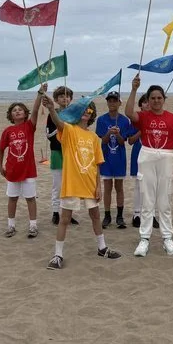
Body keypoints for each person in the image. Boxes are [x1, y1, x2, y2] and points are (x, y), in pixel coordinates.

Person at [42, 93, 121, 269]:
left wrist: (98, 186)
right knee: (65, 218)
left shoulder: (94, 138)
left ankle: (102, 247)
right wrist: (50, 109)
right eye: (83, 109)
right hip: (72, 183)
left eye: (90, 110)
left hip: (90, 184)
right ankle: (57, 255)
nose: (87, 112)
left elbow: (97, 164)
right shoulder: (69, 130)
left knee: (95, 215)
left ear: (93, 114)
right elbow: (58, 122)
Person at [125, 75, 173, 257]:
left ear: (164, 99)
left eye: (159, 98)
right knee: (147, 199)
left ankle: (167, 238)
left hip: (167, 157)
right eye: (152, 98)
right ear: (148, 100)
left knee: (164, 199)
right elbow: (129, 113)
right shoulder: (144, 116)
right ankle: (144, 239)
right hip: (147, 155)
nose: (156, 101)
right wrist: (134, 89)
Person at [0, 91, 43, 238]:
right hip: (12, 170)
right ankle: (11, 226)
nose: (17, 111)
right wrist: (0, 167)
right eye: (14, 110)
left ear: (25, 113)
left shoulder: (29, 127)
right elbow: (0, 149)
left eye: (20, 109)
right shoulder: (8, 131)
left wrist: (40, 94)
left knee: (30, 198)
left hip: (28, 170)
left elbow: (36, 110)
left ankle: (33, 226)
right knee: (12, 198)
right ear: (11, 115)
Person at [96, 91, 134, 230]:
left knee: (119, 187)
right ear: (107, 102)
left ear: (119, 103)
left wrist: (118, 134)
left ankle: (119, 215)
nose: (112, 103)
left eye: (115, 100)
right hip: (106, 158)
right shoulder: (101, 120)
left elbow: (123, 142)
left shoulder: (124, 120)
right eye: (110, 100)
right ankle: (107, 215)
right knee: (107, 187)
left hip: (119, 158)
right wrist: (109, 133)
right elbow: (102, 141)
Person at [46, 85, 79, 226]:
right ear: (56, 99)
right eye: (61, 96)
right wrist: (62, 128)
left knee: (70, 185)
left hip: (71, 153)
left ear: (71, 99)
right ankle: (55, 213)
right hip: (57, 153)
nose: (64, 98)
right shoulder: (52, 114)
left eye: (67, 96)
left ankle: (68, 213)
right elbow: (49, 135)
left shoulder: (74, 114)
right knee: (57, 185)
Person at [128, 94, 160, 230]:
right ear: (141, 105)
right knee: (138, 186)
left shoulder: (156, 119)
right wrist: (142, 131)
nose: (147, 104)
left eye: (149, 102)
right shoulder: (136, 120)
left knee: (152, 187)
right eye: (145, 102)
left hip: (153, 156)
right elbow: (130, 140)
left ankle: (151, 215)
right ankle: (137, 214)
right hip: (138, 154)